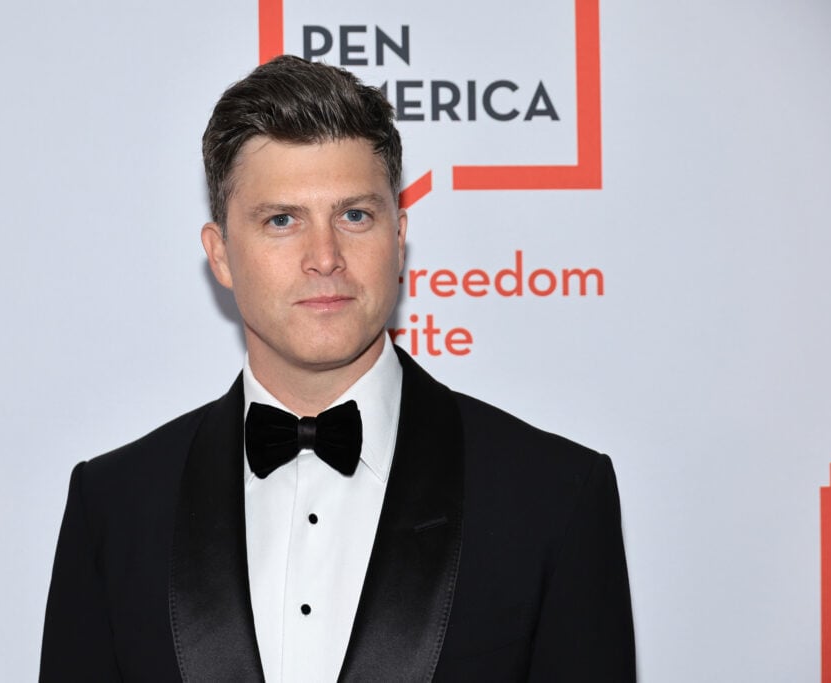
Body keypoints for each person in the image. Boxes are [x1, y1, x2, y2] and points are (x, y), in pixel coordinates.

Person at [39, 55, 635, 682]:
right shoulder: (115, 506)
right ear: (219, 254)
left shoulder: (554, 497)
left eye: (355, 215)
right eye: (281, 220)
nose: (324, 257)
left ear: (398, 237)